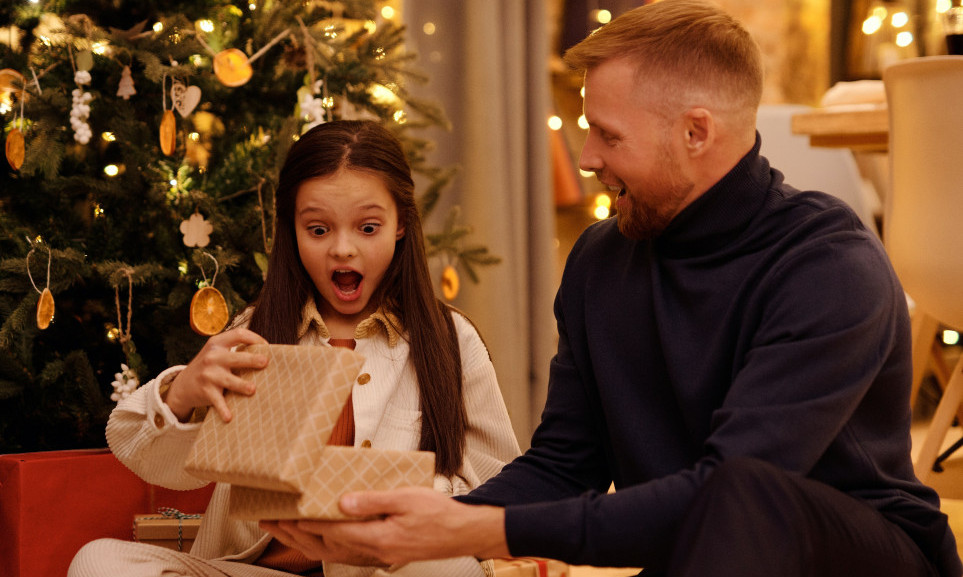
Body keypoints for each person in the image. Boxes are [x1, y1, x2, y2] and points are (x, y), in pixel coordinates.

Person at [258, 2, 963, 577]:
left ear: (695, 132)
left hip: (867, 559)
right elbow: (565, 463)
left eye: (606, 134)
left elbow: (731, 492)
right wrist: (411, 524)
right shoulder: (601, 260)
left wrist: (474, 529)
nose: (587, 156)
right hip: (702, 555)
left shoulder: (827, 266)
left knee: (740, 491)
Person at [67, 120, 521, 577]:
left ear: (401, 223)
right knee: (98, 561)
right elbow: (148, 459)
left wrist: (411, 504)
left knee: (445, 566)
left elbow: (502, 486)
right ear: (293, 230)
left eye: (367, 227)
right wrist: (181, 392)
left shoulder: (451, 339)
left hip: (386, 572)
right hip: (252, 571)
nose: (342, 249)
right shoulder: (255, 332)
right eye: (318, 230)